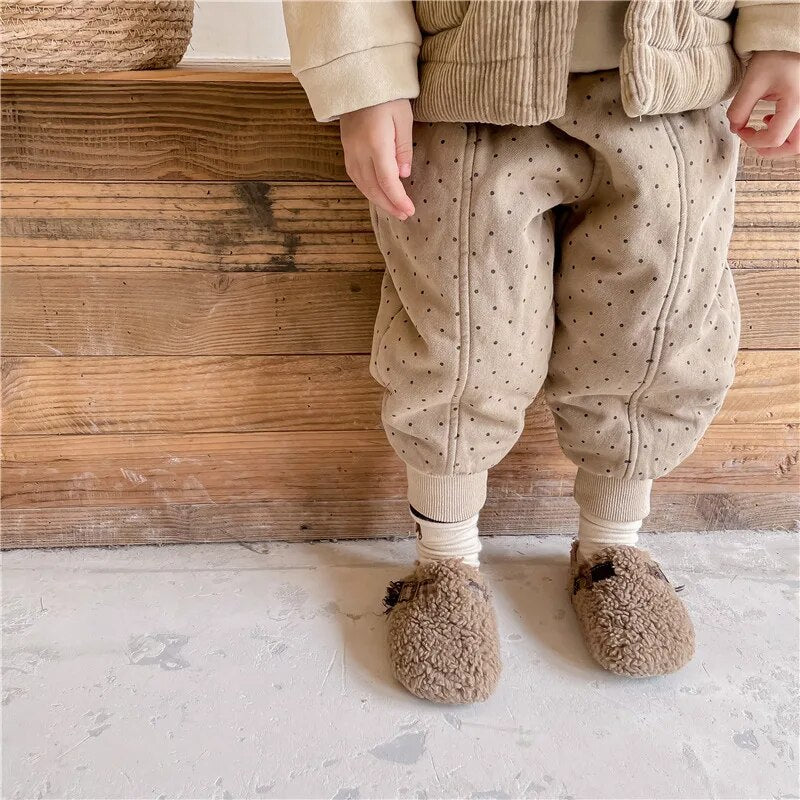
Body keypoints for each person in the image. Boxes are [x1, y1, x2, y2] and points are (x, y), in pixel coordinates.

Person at [282, 0, 800, 703]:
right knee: (461, 339)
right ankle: (445, 559)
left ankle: (613, 546)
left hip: (676, 80)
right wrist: (363, 75)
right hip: (467, 82)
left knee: (654, 331)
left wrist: (786, 33)